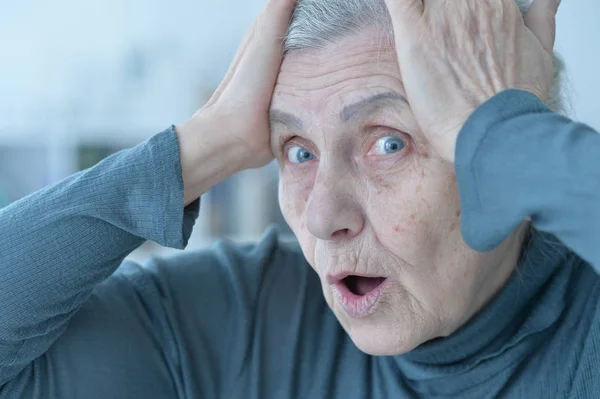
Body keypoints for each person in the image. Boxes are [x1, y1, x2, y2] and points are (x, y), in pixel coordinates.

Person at [1, 0, 599, 397]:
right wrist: (200, 146)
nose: (320, 216)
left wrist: (506, 132)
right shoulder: (247, 323)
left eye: (388, 142)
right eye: (298, 150)